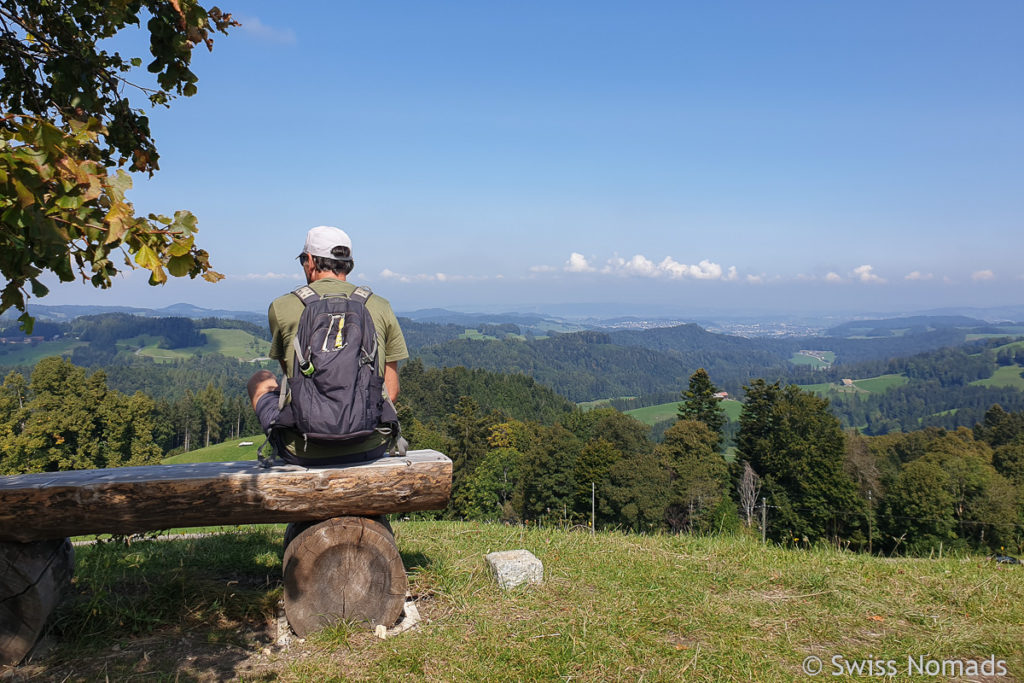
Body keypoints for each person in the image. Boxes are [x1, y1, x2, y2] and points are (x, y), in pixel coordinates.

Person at [248, 225, 408, 464]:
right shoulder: (380, 306)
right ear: (348, 263)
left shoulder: (281, 307)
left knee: (259, 379)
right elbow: (390, 392)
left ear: (310, 261)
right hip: (369, 445)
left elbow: (292, 383)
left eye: (303, 260)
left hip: (301, 449)